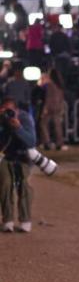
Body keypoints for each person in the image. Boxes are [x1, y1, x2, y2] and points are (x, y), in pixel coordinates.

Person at [0, 98, 36, 232]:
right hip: (5, 157)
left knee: (24, 184)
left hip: (23, 157)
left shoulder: (25, 118)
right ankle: (8, 219)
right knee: (5, 184)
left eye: (10, 111)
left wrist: (18, 128)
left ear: (16, 110)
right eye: (5, 110)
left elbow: (31, 142)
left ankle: (25, 220)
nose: (7, 114)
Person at [37, 69, 67, 151]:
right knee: (57, 126)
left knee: (43, 124)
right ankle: (59, 143)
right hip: (58, 107)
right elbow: (61, 98)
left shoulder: (50, 84)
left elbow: (48, 98)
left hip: (50, 107)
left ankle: (46, 142)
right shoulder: (60, 85)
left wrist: (45, 109)